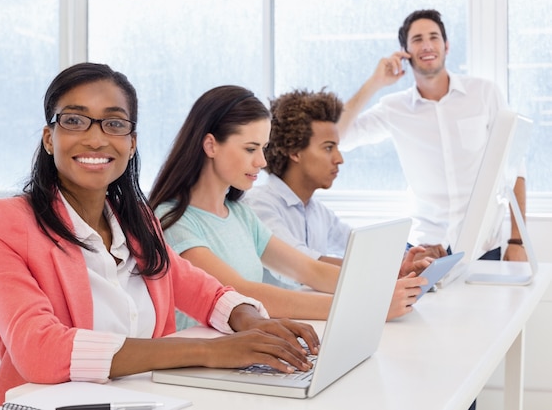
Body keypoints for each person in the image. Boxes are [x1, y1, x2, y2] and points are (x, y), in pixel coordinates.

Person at [0, 63, 320, 405]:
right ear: (50, 138)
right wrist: (209, 351)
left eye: (114, 124)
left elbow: (202, 290)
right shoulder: (4, 224)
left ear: (132, 142)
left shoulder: (136, 221)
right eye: (74, 121)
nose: (95, 139)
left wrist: (252, 322)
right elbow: (39, 350)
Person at [148, 85, 426, 330]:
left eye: (263, 148)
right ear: (211, 145)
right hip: (199, 365)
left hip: (240, 352)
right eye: (250, 149)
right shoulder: (173, 222)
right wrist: (365, 307)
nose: (262, 162)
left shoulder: (241, 215)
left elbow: (308, 270)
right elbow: (240, 294)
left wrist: (383, 280)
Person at [336, 9, 528, 264]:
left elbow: (514, 167)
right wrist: (375, 82)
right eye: (417, 39)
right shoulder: (394, 107)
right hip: (424, 247)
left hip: (482, 245)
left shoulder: (484, 93)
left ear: (446, 46)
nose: (426, 45)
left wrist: (518, 241)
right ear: (405, 52)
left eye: (433, 37)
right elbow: (340, 138)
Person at [242, 89, 430, 290]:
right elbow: (304, 264)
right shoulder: (259, 205)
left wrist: (408, 258)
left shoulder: (316, 211)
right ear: (294, 151)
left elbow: (360, 246)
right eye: (329, 147)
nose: (340, 159)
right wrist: (387, 272)